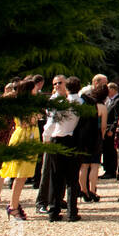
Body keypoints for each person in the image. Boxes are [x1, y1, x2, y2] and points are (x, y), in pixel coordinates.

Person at [42, 76, 83, 222]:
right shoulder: (81, 102)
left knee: (56, 176)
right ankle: (72, 212)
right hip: (71, 140)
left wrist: (45, 138)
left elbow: (51, 123)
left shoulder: (61, 102)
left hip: (56, 138)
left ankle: (54, 211)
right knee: (72, 178)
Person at [1, 77, 42, 220]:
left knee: (22, 176)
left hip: (29, 137)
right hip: (24, 138)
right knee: (20, 176)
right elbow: (27, 122)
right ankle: (13, 206)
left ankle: (14, 204)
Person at [35, 74, 69, 215]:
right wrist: (46, 139)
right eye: (54, 84)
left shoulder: (69, 99)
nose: (57, 86)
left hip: (64, 138)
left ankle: (57, 199)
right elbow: (50, 123)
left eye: (59, 83)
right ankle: (41, 202)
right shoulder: (53, 101)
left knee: (61, 172)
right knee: (47, 170)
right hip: (52, 138)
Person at [75, 83, 109, 202]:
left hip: (84, 137)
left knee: (83, 166)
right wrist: (102, 137)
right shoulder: (102, 107)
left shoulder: (86, 105)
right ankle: (93, 191)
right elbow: (103, 126)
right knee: (94, 165)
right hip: (96, 136)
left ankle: (83, 190)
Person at [101, 82, 119, 179]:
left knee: (111, 151)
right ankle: (107, 169)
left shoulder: (118, 101)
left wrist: (112, 129)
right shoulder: (108, 101)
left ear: (113, 90)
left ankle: (111, 170)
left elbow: (118, 118)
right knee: (106, 150)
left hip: (111, 130)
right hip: (106, 129)